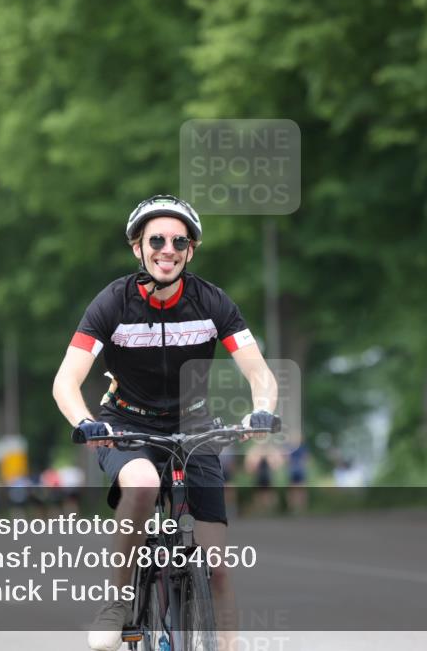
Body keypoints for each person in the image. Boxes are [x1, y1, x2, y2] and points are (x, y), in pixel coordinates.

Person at [52, 195, 279, 651]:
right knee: (140, 482)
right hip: (126, 425)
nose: (167, 249)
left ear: (190, 250)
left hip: (195, 428)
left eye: (179, 241)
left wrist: (261, 409)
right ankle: (116, 601)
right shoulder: (112, 303)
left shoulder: (212, 302)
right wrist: (87, 421)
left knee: (216, 563)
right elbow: (66, 381)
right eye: (156, 239)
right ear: (138, 247)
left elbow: (259, 372)